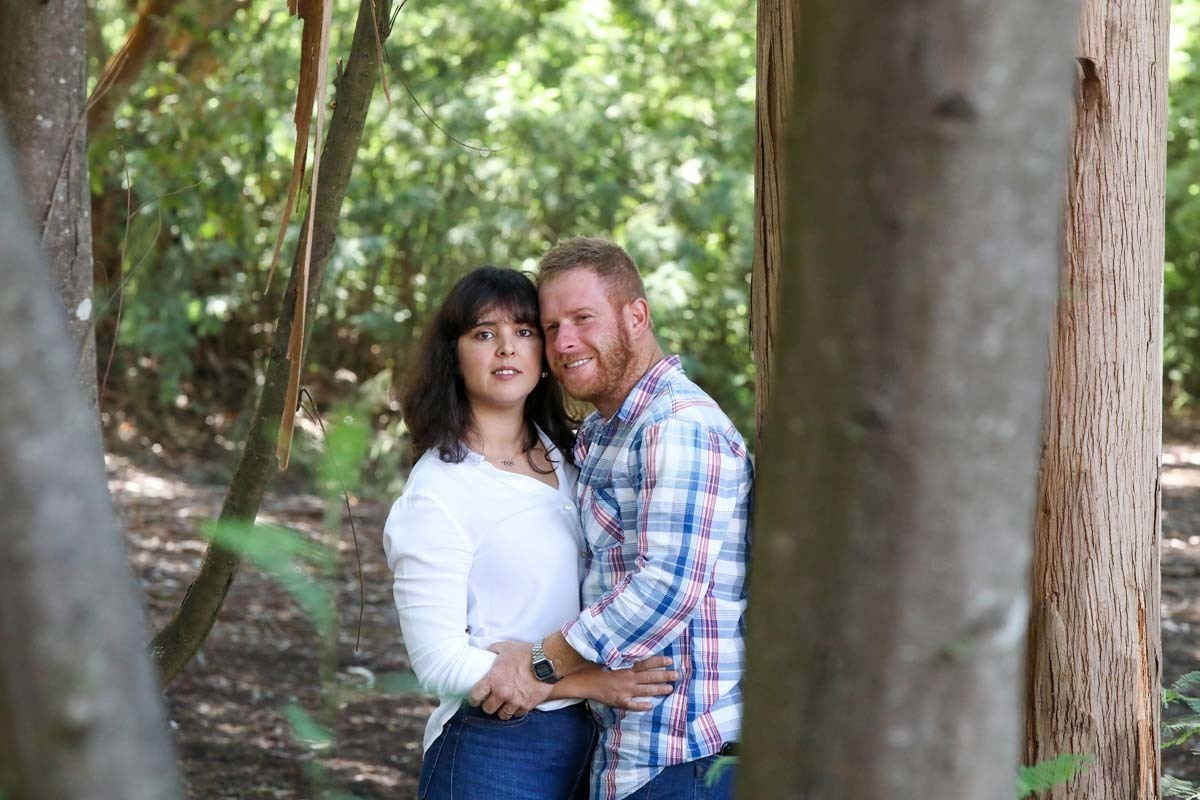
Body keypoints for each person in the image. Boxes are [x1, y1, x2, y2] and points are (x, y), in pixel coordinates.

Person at [470, 239, 754, 800]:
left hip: (683, 757)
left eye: (583, 318)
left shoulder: (678, 426)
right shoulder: (605, 432)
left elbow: (665, 587)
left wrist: (539, 664)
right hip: (625, 755)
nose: (564, 342)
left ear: (636, 317)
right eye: (551, 327)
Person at [382, 265, 678, 800]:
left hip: (596, 745)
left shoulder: (575, 457)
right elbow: (438, 662)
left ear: (544, 354)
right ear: (453, 356)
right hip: (495, 746)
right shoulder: (440, 491)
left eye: (523, 331)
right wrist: (587, 682)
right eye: (483, 334)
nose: (506, 349)